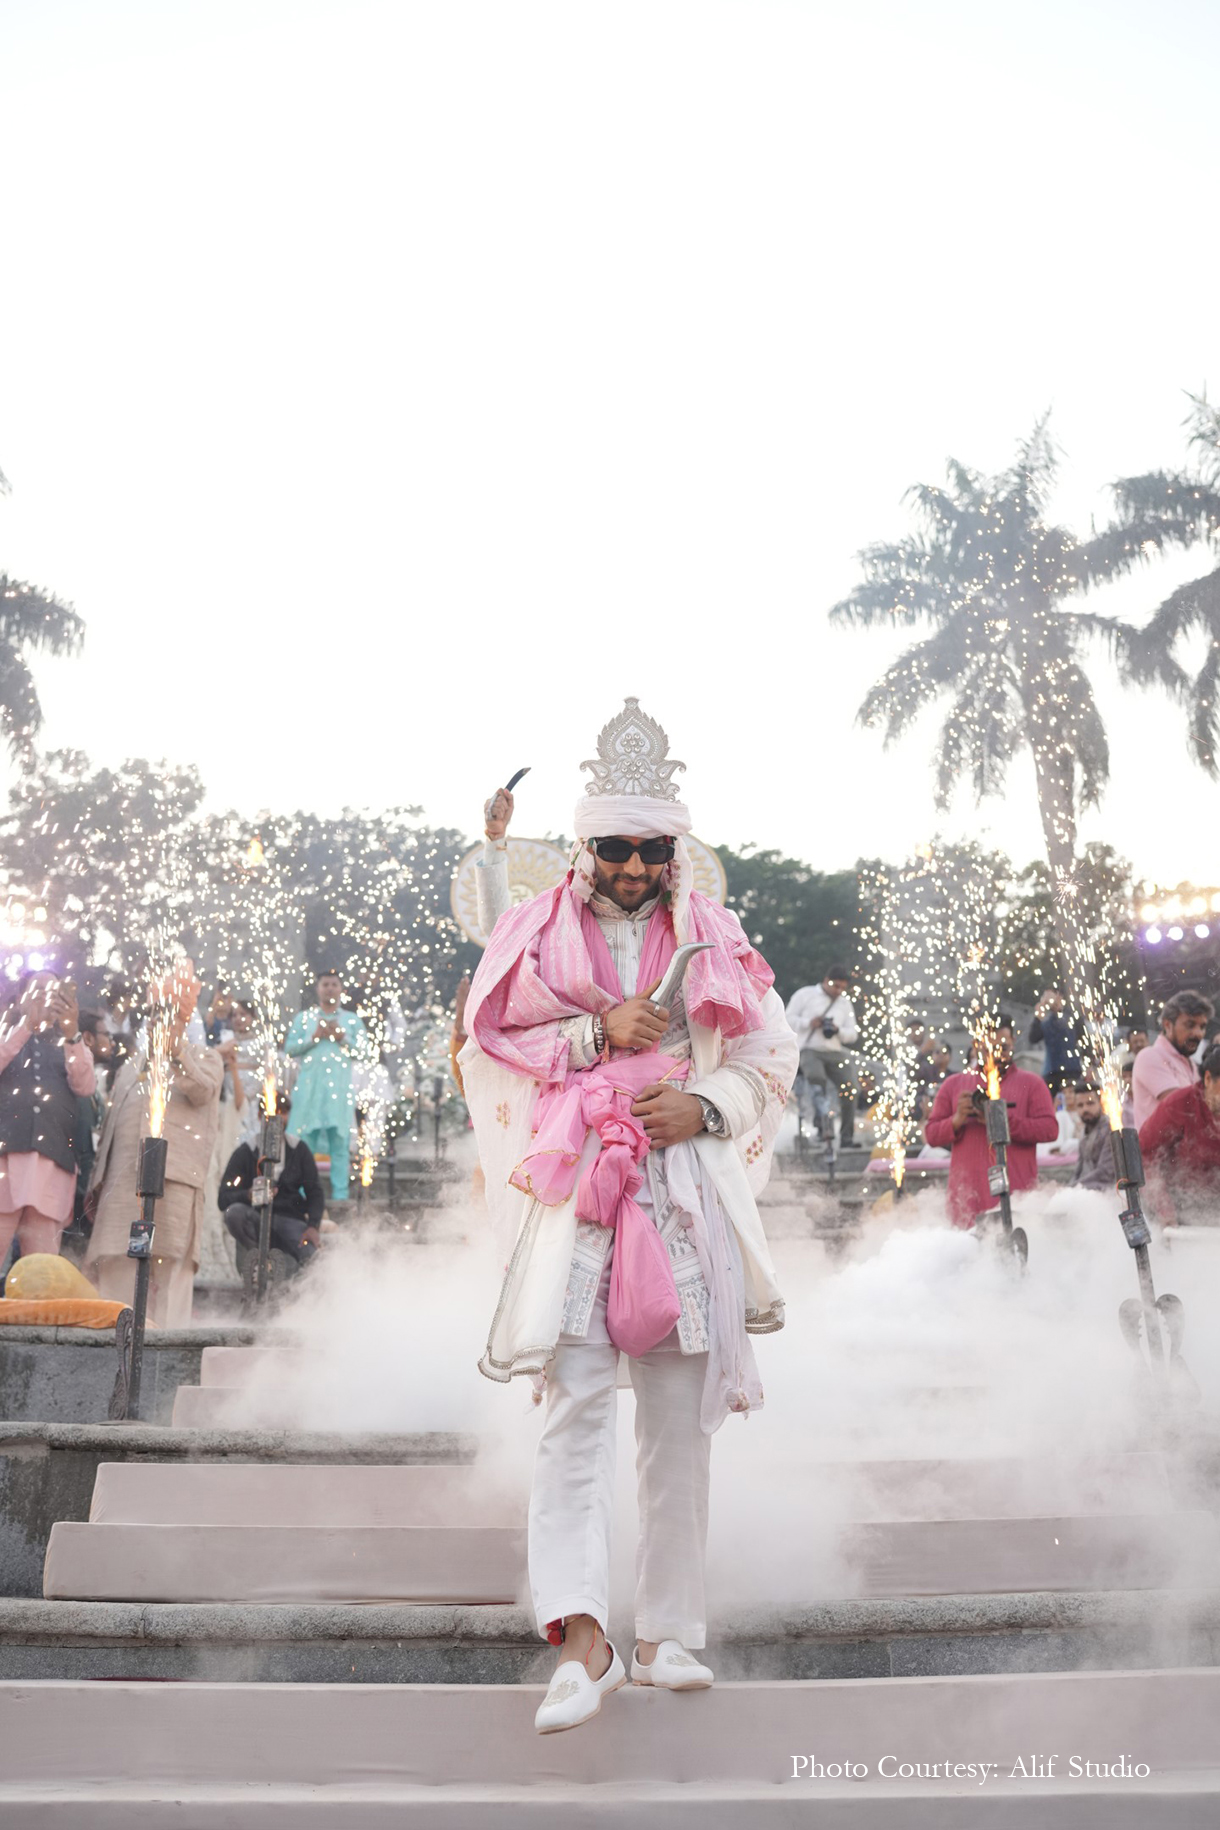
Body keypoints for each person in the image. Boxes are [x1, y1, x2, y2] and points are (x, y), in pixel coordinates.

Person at [460, 698, 796, 1735]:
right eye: (614, 848)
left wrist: (701, 1105)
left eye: (653, 850)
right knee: (573, 1414)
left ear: (672, 852)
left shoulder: (714, 935)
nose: (634, 868)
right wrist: (594, 1035)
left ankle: (667, 1634)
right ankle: (579, 1639)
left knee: (678, 1421)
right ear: (583, 848)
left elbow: (767, 1060)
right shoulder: (532, 932)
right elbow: (486, 1046)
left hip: (682, 1192)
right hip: (580, 1205)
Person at [84, 958, 223, 1327]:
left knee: (168, 1275)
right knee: (115, 1273)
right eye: (157, 1013)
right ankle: (109, 1355)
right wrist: (96, 1183)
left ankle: (167, 1356)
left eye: (171, 1013)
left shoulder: (205, 1059)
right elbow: (112, 1130)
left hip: (172, 1185)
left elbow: (204, 1091)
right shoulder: (131, 1066)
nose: (161, 1020)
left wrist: (176, 1050)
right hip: (120, 1187)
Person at [923, 1018, 1058, 1228]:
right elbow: (931, 1134)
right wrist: (956, 1120)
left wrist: (1000, 1120)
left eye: (1003, 1047)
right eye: (989, 1048)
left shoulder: (1032, 1084)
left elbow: (1050, 1130)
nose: (996, 1054)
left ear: (1013, 1041)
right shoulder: (954, 1085)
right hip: (967, 1202)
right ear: (976, 1045)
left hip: (1019, 1200)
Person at [0, 972, 96, 1265]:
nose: (45, 997)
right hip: (4, 1164)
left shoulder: (70, 1042)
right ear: (19, 999)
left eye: (52, 992)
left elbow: (85, 1085)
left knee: (40, 1273)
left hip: (52, 1170)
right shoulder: (7, 1032)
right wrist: (26, 1025)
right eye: (37, 990)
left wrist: (72, 1032)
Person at [284, 973, 369, 1204]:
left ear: (341, 989)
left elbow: (365, 1052)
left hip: (338, 1091)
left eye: (334, 985)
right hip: (310, 1089)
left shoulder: (351, 1020)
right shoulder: (304, 1018)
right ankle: (301, 1195)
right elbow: (289, 1048)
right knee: (305, 1141)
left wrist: (343, 1038)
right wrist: (313, 1037)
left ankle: (340, 1195)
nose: (330, 989)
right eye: (325, 984)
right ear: (318, 988)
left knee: (339, 1142)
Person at [218, 1091, 324, 1270]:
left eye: (283, 1112)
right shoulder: (246, 1152)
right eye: (272, 1112)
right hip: (255, 1218)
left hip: (290, 1219)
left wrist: (313, 1225)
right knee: (234, 1214)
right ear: (260, 1116)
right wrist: (248, 1195)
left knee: (312, 1257)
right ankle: (258, 1259)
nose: (278, 1118)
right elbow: (223, 1198)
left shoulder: (298, 1149)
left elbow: (315, 1191)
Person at [1139, 1043, 1220, 1222]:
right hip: (1179, 1203)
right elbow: (1146, 1156)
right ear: (1208, 1079)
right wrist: (1163, 1208)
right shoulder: (1179, 1105)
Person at [784, 966, 860, 1145]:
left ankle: (847, 1137)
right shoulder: (805, 995)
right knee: (816, 1080)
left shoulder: (844, 1003)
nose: (838, 991)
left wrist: (837, 1030)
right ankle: (823, 1126)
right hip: (810, 1049)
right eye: (835, 986)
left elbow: (853, 1034)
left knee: (851, 1089)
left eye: (842, 988)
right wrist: (809, 1023)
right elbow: (786, 1019)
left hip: (834, 1051)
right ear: (826, 980)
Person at [1130, 991, 1214, 1131]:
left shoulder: (1191, 1063)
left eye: (1202, 1027)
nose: (1198, 1033)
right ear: (1168, 1025)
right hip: (1159, 1152)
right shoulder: (1149, 1056)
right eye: (1190, 1025)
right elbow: (1183, 1106)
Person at [1028, 990, 1083, 1094]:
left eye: (1049, 996)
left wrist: (1089, 1065)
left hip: (1072, 1070)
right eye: (1044, 997)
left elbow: (1084, 1040)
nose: (1047, 1000)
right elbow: (1033, 1038)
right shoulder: (1046, 1021)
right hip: (1052, 1071)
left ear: (1059, 996)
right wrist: (1038, 1017)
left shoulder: (1071, 1016)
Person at [1071, 1081, 1113, 1192]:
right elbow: (1078, 1171)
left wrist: (1072, 1188)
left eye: (1090, 1103)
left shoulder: (1111, 1129)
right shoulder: (1084, 1132)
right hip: (1084, 1192)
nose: (1085, 1109)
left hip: (1107, 1194)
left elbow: (1105, 1173)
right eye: (1080, 1105)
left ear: (1100, 1103)